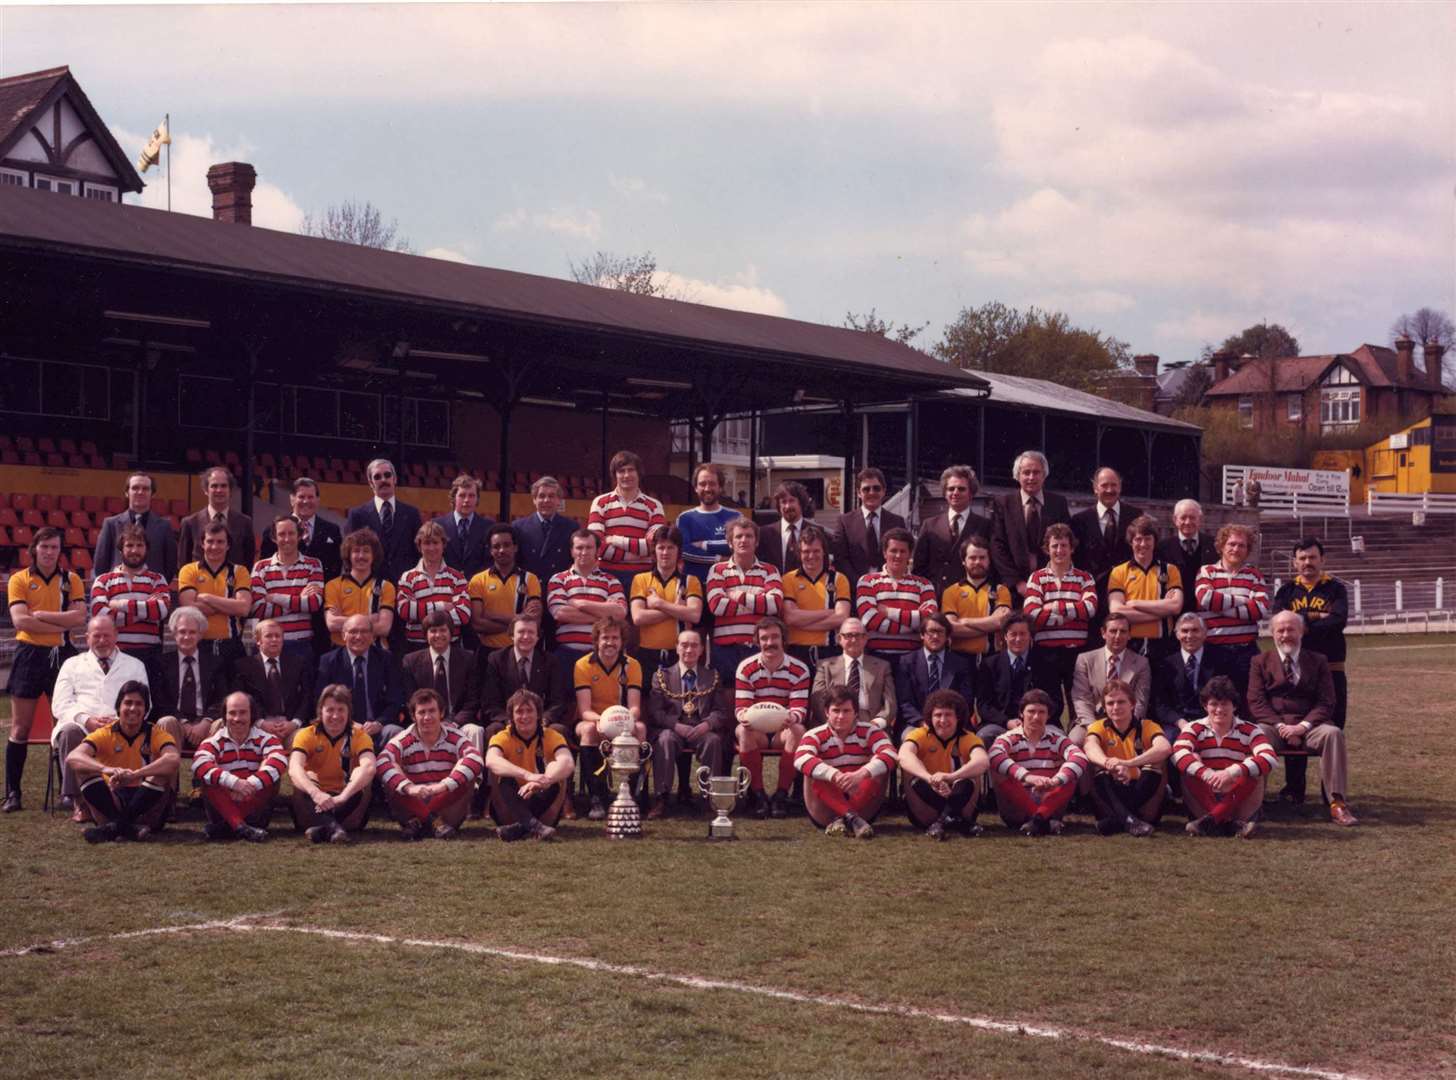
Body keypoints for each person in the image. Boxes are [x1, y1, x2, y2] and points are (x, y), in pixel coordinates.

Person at [3, 526, 86, 813]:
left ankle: (68, 792)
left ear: (60, 550)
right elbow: (21, 622)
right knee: (20, 727)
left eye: (55, 547)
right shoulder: (19, 579)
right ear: (34, 548)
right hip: (29, 655)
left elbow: (80, 618)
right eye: (45, 546)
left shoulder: (71, 579)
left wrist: (44, 616)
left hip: (62, 655)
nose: (49, 552)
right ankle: (13, 793)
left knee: (65, 725)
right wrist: (61, 622)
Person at [1248, 610, 1357, 826]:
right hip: (1274, 725)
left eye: (1291, 629)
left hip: (1311, 726)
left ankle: (1337, 803)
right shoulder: (1260, 661)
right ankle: (1253, 804)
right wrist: (1279, 725)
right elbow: (1256, 702)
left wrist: (1303, 726)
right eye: (1281, 630)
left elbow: (1327, 701)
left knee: (1333, 734)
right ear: (1272, 633)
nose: (1286, 635)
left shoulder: (1318, 661)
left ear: (1302, 632)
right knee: (1257, 734)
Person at [48, 614, 149, 820]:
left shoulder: (134, 665)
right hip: (82, 725)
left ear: (116, 636)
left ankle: (127, 797)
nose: (102, 641)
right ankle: (80, 802)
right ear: (87, 638)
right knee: (69, 731)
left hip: (122, 726)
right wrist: (87, 720)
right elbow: (59, 704)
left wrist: (119, 721)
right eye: (96, 636)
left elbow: (146, 703)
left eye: (106, 635)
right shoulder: (71, 664)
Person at [1272, 537, 1349, 805]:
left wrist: (1299, 622)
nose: (1307, 563)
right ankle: (1295, 790)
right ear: (1295, 562)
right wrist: (1317, 617)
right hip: (1295, 669)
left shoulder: (1335, 589)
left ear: (1322, 560)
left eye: (1313, 557)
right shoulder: (1286, 591)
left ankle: (1332, 794)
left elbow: (1338, 621)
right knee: (1294, 723)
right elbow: (1278, 622)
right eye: (1302, 558)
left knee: (1333, 728)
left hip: (1331, 667)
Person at [66, 681, 179, 843]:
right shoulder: (105, 732)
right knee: (83, 769)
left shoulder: (155, 733)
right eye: (128, 703)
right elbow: (73, 757)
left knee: (162, 772)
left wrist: (136, 775)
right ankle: (126, 827)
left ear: (146, 710)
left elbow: (173, 759)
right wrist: (107, 769)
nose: (133, 708)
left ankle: (115, 827)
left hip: (146, 801)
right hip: (112, 798)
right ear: (119, 707)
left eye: (139, 704)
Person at [1171, 675, 1276, 838]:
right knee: (1190, 763)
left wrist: (1231, 772)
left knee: (1254, 768)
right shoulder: (1194, 728)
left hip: (1237, 792)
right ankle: (1231, 825)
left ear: (1234, 706)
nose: (1219, 710)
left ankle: (1210, 822)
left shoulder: (1250, 729)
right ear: (1205, 706)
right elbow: (1178, 753)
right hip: (1206, 792)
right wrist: (1207, 773)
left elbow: (1269, 758)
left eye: (1225, 704)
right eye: (1214, 704)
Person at [645, 628, 732, 818]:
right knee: (665, 740)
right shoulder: (662, 675)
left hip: (701, 729)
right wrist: (676, 725)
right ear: (676, 648)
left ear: (702, 650)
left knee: (713, 741)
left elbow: (721, 712)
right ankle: (662, 797)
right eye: (684, 645)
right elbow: (656, 712)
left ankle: (709, 798)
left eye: (694, 645)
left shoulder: (712, 676)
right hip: (673, 728)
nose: (689, 650)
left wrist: (707, 724)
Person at [377, 688, 486, 840]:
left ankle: (420, 821)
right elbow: (382, 761)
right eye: (421, 712)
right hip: (413, 801)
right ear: (413, 716)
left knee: (467, 771)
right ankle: (432, 821)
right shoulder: (403, 738)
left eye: (432, 711)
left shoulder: (455, 736)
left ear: (441, 713)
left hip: (446, 808)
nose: (427, 717)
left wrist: (442, 786)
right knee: (391, 768)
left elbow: (475, 759)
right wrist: (410, 788)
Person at [793, 686, 897, 839]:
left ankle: (845, 819)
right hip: (825, 809)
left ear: (856, 713)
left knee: (879, 768)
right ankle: (852, 818)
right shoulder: (814, 734)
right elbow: (800, 758)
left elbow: (890, 754)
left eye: (846, 711)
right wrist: (833, 774)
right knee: (813, 770)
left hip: (862, 801)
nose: (841, 716)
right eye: (836, 711)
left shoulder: (870, 731)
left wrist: (860, 774)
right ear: (827, 712)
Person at [735, 617, 811, 819]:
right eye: (764, 638)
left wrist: (791, 718)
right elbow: (741, 708)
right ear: (757, 641)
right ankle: (758, 795)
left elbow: (799, 709)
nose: (770, 643)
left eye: (775, 637)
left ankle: (781, 795)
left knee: (799, 730)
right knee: (742, 730)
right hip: (756, 730)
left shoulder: (799, 669)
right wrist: (745, 718)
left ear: (783, 639)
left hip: (782, 730)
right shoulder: (745, 667)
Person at [1022, 523, 1097, 723]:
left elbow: (1089, 609)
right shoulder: (1037, 578)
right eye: (1054, 546)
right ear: (1047, 548)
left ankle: (1078, 746)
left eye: (1064, 545)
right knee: (1050, 704)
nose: (1059, 551)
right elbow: (1031, 614)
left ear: (1072, 548)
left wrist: (1052, 607)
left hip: (1077, 651)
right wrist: (1072, 611)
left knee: (1079, 704)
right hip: (1045, 652)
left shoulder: (1084, 578)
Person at [191, 690, 287, 843]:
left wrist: (249, 785)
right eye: (232, 713)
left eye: (243, 713)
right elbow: (199, 763)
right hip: (223, 805)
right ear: (224, 716)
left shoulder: (267, 739)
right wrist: (234, 783)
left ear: (252, 715)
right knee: (208, 777)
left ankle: (228, 827)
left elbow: (279, 760)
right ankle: (240, 827)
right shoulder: (213, 741)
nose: (237, 718)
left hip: (255, 810)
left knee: (272, 776)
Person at [988, 689, 1088, 835]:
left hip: (1050, 800)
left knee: (1072, 771)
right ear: (1021, 714)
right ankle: (1041, 818)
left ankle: (1038, 819)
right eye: (1031, 711)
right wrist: (1028, 777)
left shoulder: (1057, 739)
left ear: (1048, 716)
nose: (1036, 717)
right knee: (996, 768)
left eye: (1041, 712)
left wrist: (1056, 781)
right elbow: (994, 755)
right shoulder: (1009, 738)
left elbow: (1080, 757)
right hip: (1017, 807)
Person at [574, 616, 645, 820]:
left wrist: (623, 722)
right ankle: (597, 797)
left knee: (639, 729)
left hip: (623, 721)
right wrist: (602, 721)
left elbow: (634, 707)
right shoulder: (582, 665)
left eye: (615, 638)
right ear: (596, 640)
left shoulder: (633, 665)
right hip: (593, 719)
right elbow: (584, 710)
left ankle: (632, 795)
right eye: (605, 637)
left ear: (622, 641)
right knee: (588, 730)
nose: (610, 642)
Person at [1194, 523, 1270, 711]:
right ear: (1221, 546)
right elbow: (1206, 598)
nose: (1236, 549)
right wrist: (1244, 600)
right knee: (1216, 704)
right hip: (1214, 651)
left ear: (1248, 549)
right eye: (1231, 544)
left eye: (1241, 545)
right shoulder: (1207, 571)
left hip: (1246, 652)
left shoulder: (1254, 575)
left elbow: (1260, 610)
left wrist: (1219, 608)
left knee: (1246, 705)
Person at [1082, 678, 1171, 837]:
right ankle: (1130, 820)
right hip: (1113, 788)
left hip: (1140, 788)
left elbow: (1164, 748)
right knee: (1099, 771)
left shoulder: (1147, 726)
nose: (1115, 707)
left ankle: (1117, 821)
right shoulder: (1099, 726)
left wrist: (1128, 764)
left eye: (1121, 702)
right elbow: (1090, 747)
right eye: (1110, 703)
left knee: (1157, 765)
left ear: (1132, 704)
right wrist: (1111, 764)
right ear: (1104, 706)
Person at [288, 683, 377, 843]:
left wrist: (342, 797)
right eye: (330, 710)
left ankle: (324, 829)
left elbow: (369, 767)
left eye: (341, 710)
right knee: (307, 775)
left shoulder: (360, 736)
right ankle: (335, 829)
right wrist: (316, 794)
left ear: (349, 711)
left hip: (347, 801)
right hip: (313, 801)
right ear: (320, 711)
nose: (335, 716)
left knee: (359, 774)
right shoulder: (306, 734)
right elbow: (294, 768)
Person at [899, 688, 989, 839]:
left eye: (948, 715)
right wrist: (929, 778)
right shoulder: (920, 734)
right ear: (929, 717)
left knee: (971, 775)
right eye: (938, 715)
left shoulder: (968, 737)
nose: (943, 720)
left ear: (958, 717)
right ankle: (955, 820)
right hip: (926, 804)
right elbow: (903, 756)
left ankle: (941, 821)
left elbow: (983, 761)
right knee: (912, 773)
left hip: (959, 794)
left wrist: (951, 777)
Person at [486, 688, 573, 841]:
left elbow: (568, 763)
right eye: (519, 711)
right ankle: (536, 827)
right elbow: (491, 760)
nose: (524, 716)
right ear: (511, 716)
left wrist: (543, 780)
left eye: (529, 711)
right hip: (511, 801)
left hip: (541, 798)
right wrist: (527, 775)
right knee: (503, 778)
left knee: (555, 777)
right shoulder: (502, 737)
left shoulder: (552, 735)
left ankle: (519, 828)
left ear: (538, 714)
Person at [705, 517, 784, 684]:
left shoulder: (770, 570)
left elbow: (774, 604)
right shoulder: (717, 570)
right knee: (726, 695)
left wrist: (737, 596)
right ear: (730, 542)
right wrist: (757, 601)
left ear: (756, 542)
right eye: (738, 536)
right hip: (725, 647)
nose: (743, 540)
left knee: (758, 695)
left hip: (757, 646)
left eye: (749, 536)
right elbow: (716, 606)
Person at [989, 451, 1072, 606]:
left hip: (1051, 588)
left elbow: (1066, 543)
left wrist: (1051, 582)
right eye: (1026, 472)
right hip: (1013, 589)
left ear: (1044, 475)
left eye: (1036, 472)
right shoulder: (1003, 503)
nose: (1031, 477)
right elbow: (997, 546)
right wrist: (1017, 583)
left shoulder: (1058, 503)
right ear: (1017, 475)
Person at [88, 524, 171, 676]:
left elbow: (161, 610)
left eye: (140, 545)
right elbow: (101, 616)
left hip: (150, 655)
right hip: (115, 653)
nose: (134, 550)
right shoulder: (103, 580)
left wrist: (120, 604)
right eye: (129, 545)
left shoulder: (157, 579)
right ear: (121, 549)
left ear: (146, 549)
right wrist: (146, 612)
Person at [316, 613, 405, 751]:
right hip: (342, 727)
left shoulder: (386, 659)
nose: (358, 636)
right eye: (353, 632)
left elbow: (396, 698)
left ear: (372, 636)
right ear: (343, 635)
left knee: (397, 733)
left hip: (379, 728)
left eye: (364, 632)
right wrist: (348, 724)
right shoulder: (328, 661)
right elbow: (320, 701)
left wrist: (379, 723)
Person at [547, 529, 628, 679]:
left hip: (602, 655)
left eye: (589, 547)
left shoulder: (611, 581)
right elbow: (560, 613)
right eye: (579, 547)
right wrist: (604, 614)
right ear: (571, 551)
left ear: (597, 550)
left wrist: (579, 603)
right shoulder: (558, 579)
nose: (584, 552)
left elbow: (620, 613)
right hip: (566, 655)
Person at [629, 525, 704, 688]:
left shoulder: (690, 581)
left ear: (678, 551)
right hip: (647, 653)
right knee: (647, 703)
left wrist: (658, 604)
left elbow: (694, 615)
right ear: (654, 551)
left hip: (679, 654)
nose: (665, 552)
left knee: (680, 702)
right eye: (661, 547)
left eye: (671, 547)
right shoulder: (640, 579)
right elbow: (638, 617)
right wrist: (676, 609)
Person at [479, 615, 573, 742]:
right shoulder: (496, 659)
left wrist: (544, 720)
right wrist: (510, 721)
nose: (526, 637)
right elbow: (490, 702)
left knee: (559, 730)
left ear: (538, 637)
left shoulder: (550, 661)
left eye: (531, 632)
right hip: (508, 721)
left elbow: (558, 700)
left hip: (541, 721)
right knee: (494, 730)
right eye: (521, 632)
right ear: (512, 635)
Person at [149, 606, 228, 755]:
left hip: (206, 724)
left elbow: (222, 698)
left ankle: (213, 777)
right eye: (182, 632)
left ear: (200, 634)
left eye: (192, 632)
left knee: (223, 723)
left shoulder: (215, 662)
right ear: (174, 633)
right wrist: (183, 723)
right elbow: (159, 701)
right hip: (176, 724)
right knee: (166, 721)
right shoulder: (160, 663)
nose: (187, 637)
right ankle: (166, 777)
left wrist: (206, 721)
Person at [177, 520, 253, 672]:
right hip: (199, 645)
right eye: (210, 541)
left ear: (228, 545)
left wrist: (206, 597)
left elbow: (244, 608)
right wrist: (230, 605)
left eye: (220, 542)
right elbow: (189, 609)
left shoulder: (240, 571)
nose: (214, 546)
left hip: (232, 644)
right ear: (202, 544)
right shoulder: (188, 570)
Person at [588, 449, 667, 591]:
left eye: (631, 470)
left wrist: (615, 540)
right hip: (606, 575)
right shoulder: (600, 503)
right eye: (621, 471)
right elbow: (595, 545)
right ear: (615, 475)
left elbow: (654, 545)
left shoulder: (654, 505)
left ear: (639, 473)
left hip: (643, 576)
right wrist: (634, 556)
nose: (626, 475)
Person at [1068, 612, 1151, 745]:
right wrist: (1094, 730)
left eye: (1123, 631)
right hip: (1092, 720)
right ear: (1103, 633)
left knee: (1140, 742)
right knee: (1075, 740)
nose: (1118, 636)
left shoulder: (1141, 663)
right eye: (1113, 631)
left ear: (1129, 635)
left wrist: (1125, 728)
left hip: (1127, 722)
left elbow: (1140, 702)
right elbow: (1081, 698)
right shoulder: (1085, 659)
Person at [856, 527, 938, 663]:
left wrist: (887, 611)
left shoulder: (924, 584)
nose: (898, 556)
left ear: (910, 554)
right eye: (893, 550)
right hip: (875, 658)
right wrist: (913, 627)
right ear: (884, 553)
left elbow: (929, 620)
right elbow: (869, 620)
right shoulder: (867, 581)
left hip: (912, 659)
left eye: (903, 551)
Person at [250, 514, 325, 662]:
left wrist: (276, 598)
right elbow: (258, 608)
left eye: (291, 533)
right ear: (274, 538)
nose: (286, 539)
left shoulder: (313, 564)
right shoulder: (260, 567)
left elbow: (313, 604)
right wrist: (299, 599)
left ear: (300, 536)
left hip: (301, 645)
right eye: (281, 534)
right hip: (268, 646)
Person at [1107, 515, 1184, 659]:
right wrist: (1162, 611)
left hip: (1163, 644)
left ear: (1155, 541)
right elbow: (1117, 611)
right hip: (1130, 644)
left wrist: (1134, 603)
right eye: (1138, 539)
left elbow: (1176, 606)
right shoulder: (1119, 572)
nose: (1143, 544)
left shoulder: (1170, 570)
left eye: (1148, 539)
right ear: (1131, 542)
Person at [973, 613, 1055, 745]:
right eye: (1013, 634)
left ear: (1030, 636)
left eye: (1023, 634)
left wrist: (1033, 721)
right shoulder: (989, 665)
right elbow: (984, 705)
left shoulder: (1045, 663)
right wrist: (1006, 722)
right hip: (1000, 724)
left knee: (1059, 738)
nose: (1018, 639)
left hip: (1039, 723)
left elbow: (1055, 701)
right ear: (1005, 636)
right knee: (984, 736)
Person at [468, 523, 544, 664]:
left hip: (519, 652)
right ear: (490, 550)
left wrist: (492, 615)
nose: (502, 550)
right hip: (487, 653)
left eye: (507, 545)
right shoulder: (478, 580)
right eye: (496, 546)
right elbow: (477, 624)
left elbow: (534, 623)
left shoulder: (530, 579)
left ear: (515, 547)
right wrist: (518, 623)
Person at [781, 522, 852, 672]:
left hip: (830, 653)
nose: (811, 556)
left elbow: (841, 618)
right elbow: (790, 618)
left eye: (816, 551)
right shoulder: (788, 579)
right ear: (799, 553)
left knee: (829, 696)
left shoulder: (839, 579)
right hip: (796, 652)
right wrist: (828, 612)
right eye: (806, 551)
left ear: (824, 552)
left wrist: (802, 623)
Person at [913, 465, 991, 599]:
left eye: (961, 489)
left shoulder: (986, 525)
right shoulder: (929, 525)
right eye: (951, 489)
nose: (955, 492)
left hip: (971, 598)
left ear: (971, 493)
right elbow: (919, 567)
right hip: (936, 598)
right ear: (944, 492)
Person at [233, 619, 314, 748]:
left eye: (278, 636)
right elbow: (242, 700)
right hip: (257, 727)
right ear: (258, 640)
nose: (274, 640)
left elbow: (307, 697)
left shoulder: (298, 663)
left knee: (306, 741)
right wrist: (260, 723)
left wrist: (295, 723)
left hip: (290, 726)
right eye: (269, 636)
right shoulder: (243, 666)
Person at [940, 534, 1012, 677]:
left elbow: (1000, 622)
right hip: (959, 660)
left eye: (982, 557)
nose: (978, 562)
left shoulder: (1001, 590)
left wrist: (965, 621)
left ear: (989, 560)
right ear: (963, 561)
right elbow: (952, 628)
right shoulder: (951, 592)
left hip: (992, 659)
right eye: (972, 558)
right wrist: (989, 626)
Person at [345, 457, 423, 585]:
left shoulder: (412, 514)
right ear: (371, 483)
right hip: (369, 587)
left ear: (395, 479)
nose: (383, 480)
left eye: (387, 475)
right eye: (377, 477)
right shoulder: (357, 515)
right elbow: (349, 554)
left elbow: (419, 552)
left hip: (405, 587)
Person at [396, 520, 471, 651]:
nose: (431, 548)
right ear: (419, 547)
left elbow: (463, 615)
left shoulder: (457, 578)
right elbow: (405, 610)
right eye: (426, 543)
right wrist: (442, 606)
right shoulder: (407, 577)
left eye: (436, 542)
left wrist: (420, 612)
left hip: (451, 647)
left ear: (443, 545)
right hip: (416, 647)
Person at [895, 613, 974, 734]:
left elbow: (966, 700)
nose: (935, 636)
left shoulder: (961, 663)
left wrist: (949, 722)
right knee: (909, 738)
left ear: (947, 636)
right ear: (922, 635)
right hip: (916, 725)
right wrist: (922, 723)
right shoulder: (906, 662)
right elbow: (905, 702)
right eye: (931, 631)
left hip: (952, 724)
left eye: (940, 632)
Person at [92, 472, 177, 583]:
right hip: (118, 592)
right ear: (127, 492)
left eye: (146, 489)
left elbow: (170, 567)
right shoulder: (111, 524)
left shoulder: (164, 527)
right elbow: (100, 564)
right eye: (135, 488)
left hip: (153, 593)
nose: (140, 492)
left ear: (152, 494)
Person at [401, 611, 480, 730]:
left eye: (443, 630)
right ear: (425, 635)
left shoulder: (468, 659)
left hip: (459, 722)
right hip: (425, 721)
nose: (438, 635)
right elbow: (411, 700)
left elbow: (473, 699)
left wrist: (455, 723)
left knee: (475, 730)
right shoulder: (411, 661)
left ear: (451, 633)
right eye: (433, 631)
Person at [811, 618, 895, 727]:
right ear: (839, 638)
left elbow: (890, 703)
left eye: (858, 635)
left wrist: (876, 724)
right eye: (849, 635)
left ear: (866, 638)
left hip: (871, 722)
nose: (854, 640)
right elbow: (818, 701)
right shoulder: (825, 666)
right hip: (835, 721)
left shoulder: (882, 667)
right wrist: (834, 723)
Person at [832, 467, 907, 588]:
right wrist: (862, 584)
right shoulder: (845, 522)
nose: (871, 492)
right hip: (855, 589)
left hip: (890, 589)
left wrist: (886, 583)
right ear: (858, 493)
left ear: (883, 491)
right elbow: (840, 560)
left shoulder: (897, 522)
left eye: (876, 488)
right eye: (866, 489)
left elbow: (902, 557)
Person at [1069, 466, 1142, 587]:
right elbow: (1076, 558)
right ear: (1095, 488)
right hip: (1092, 589)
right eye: (1104, 485)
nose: (1109, 490)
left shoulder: (1135, 516)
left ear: (1120, 487)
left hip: (1129, 587)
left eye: (1114, 485)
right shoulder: (1079, 520)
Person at [324, 528, 396, 649]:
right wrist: (371, 619)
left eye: (366, 551)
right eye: (356, 551)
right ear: (348, 555)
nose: (361, 556)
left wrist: (343, 620)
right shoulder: (333, 585)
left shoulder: (386, 587)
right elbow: (331, 624)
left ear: (374, 556)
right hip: (342, 650)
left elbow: (384, 628)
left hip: (375, 651)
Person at [261, 477, 342, 583]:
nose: (306, 501)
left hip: (321, 594)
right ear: (292, 499)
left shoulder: (332, 530)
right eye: (301, 497)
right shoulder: (274, 529)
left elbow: (336, 568)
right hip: (283, 593)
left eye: (310, 497)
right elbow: (267, 566)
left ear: (318, 500)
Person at [177, 466, 256, 569]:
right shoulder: (190, 523)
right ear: (206, 490)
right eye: (214, 486)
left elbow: (248, 562)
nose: (219, 490)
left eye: (223, 486)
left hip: (234, 583)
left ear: (230, 490)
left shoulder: (245, 523)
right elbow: (183, 563)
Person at [676, 463, 740, 582]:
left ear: (720, 487)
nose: (707, 488)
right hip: (693, 586)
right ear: (695, 488)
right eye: (702, 484)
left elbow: (737, 546)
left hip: (727, 584)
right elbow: (684, 551)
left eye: (712, 484)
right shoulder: (685, 518)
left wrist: (703, 544)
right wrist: (718, 558)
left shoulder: (735, 517)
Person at [513, 475, 579, 588]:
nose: (546, 500)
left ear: (559, 500)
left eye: (551, 496)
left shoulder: (572, 528)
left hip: (559, 590)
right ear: (534, 500)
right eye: (541, 496)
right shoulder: (518, 527)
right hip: (528, 590)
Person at [1156, 499, 1217, 616]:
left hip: (1206, 611)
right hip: (1174, 612)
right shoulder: (1162, 548)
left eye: (1192, 518)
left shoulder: (1213, 545)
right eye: (1183, 518)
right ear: (1175, 520)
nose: (1188, 522)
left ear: (1200, 520)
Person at [438, 472, 493, 582]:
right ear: (454, 498)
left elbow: (490, 562)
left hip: (477, 589)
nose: (467, 500)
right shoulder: (438, 526)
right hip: (444, 587)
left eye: (471, 496)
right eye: (462, 495)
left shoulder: (489, 527)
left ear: (477, 499)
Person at [756, 480, 814, 574]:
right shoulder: (764, 534)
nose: (787, 506)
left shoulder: (816, 532)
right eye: (783, 502)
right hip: (773, 587)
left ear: (801, 502)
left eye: (792, 500)